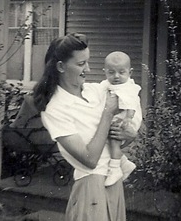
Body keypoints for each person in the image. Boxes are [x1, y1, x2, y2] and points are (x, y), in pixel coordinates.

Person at [32, 34, 141, 221]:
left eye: (88, 62)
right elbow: (89, 159)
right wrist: (107, 114)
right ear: (61, 67)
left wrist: (131, 134)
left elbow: (113, 138)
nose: (88, 69)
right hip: (91, 184)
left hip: (113, 180)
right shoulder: (55, 109)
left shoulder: (95, 91)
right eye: (81, 64)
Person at [100, 51, 142, 187]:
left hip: (128, 119)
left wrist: (128, 119)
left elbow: (131, 105)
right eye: (111, 72)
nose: (116, 76)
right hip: (118, 118)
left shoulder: (128, 87)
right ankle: (125, 164)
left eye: (121, 72)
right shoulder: (106, 84)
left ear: (130, 72)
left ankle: (115, 168)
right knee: (107, 141)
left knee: (113, 139)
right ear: (105, 71)